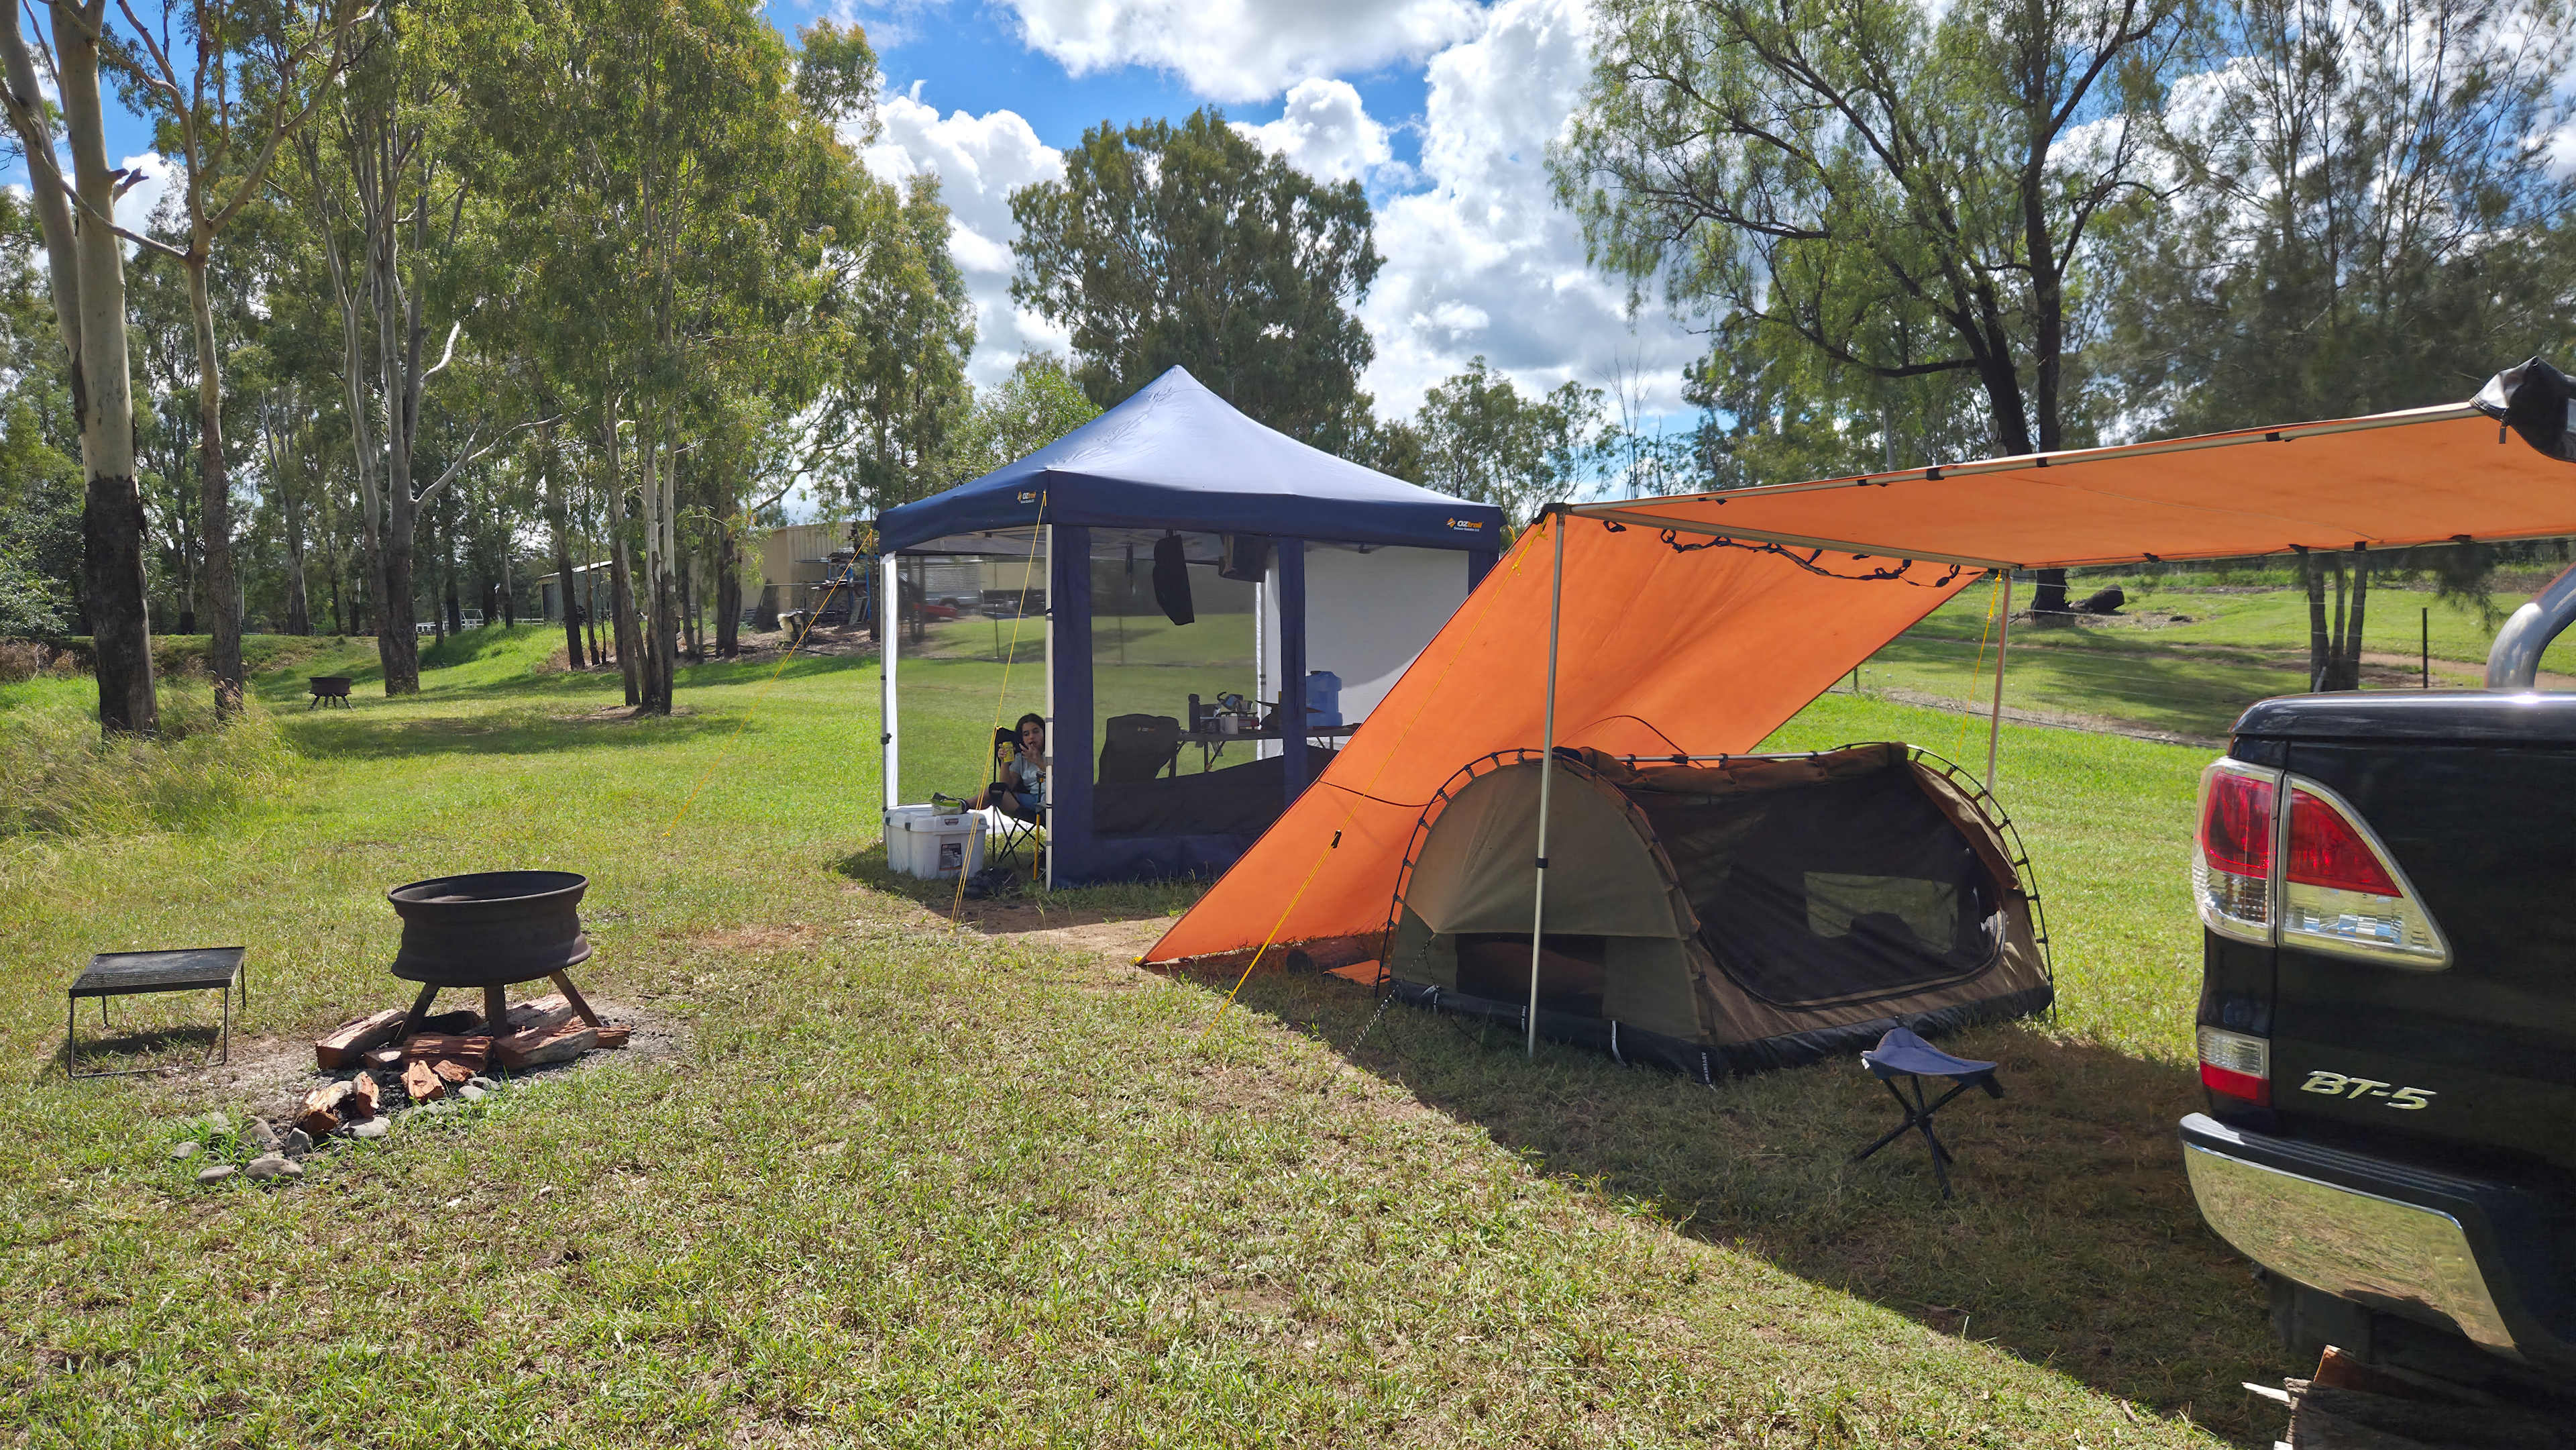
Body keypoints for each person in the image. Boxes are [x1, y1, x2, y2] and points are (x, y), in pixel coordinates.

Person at [973, 713, 1047, 821]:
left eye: (1036, 732)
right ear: (1022, 738)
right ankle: (963, 805)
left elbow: (1063, 779)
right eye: (1026, 734)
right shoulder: (1021, 758)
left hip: (1054, 801)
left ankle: (962, 805)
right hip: (1031, 802)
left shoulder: (1053, 753)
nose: (1031, 736)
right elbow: (1006, 786)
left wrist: (1039, 762)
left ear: (1044, 733)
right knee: (996, 791)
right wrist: (1005, 762)